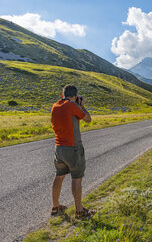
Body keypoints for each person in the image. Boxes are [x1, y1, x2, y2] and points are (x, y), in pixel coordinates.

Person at [50, 84, 95, 219]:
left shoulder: (55, 106)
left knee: (59, 176)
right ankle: (79, 211)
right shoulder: (72, 106)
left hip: (59, 148)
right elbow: (88, 118)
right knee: (76, 178)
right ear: (75, 96)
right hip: (73, 147)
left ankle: (56, 207)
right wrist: (81, 105)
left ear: (63, 94)